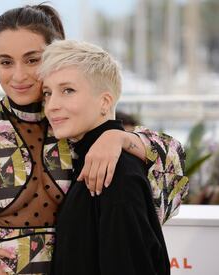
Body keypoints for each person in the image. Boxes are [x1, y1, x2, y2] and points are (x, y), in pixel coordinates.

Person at [0, 4, 188, 275]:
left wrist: (119, 138)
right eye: (5, 62)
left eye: (32, 60)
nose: (18, 75)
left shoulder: (73, 124)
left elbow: (173, 159)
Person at [41, 40, 171, 275]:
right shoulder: (88, 161)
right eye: (47, 93)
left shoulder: (116, 173)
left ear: (105, 102)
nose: (51, 105)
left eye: (67, 90)